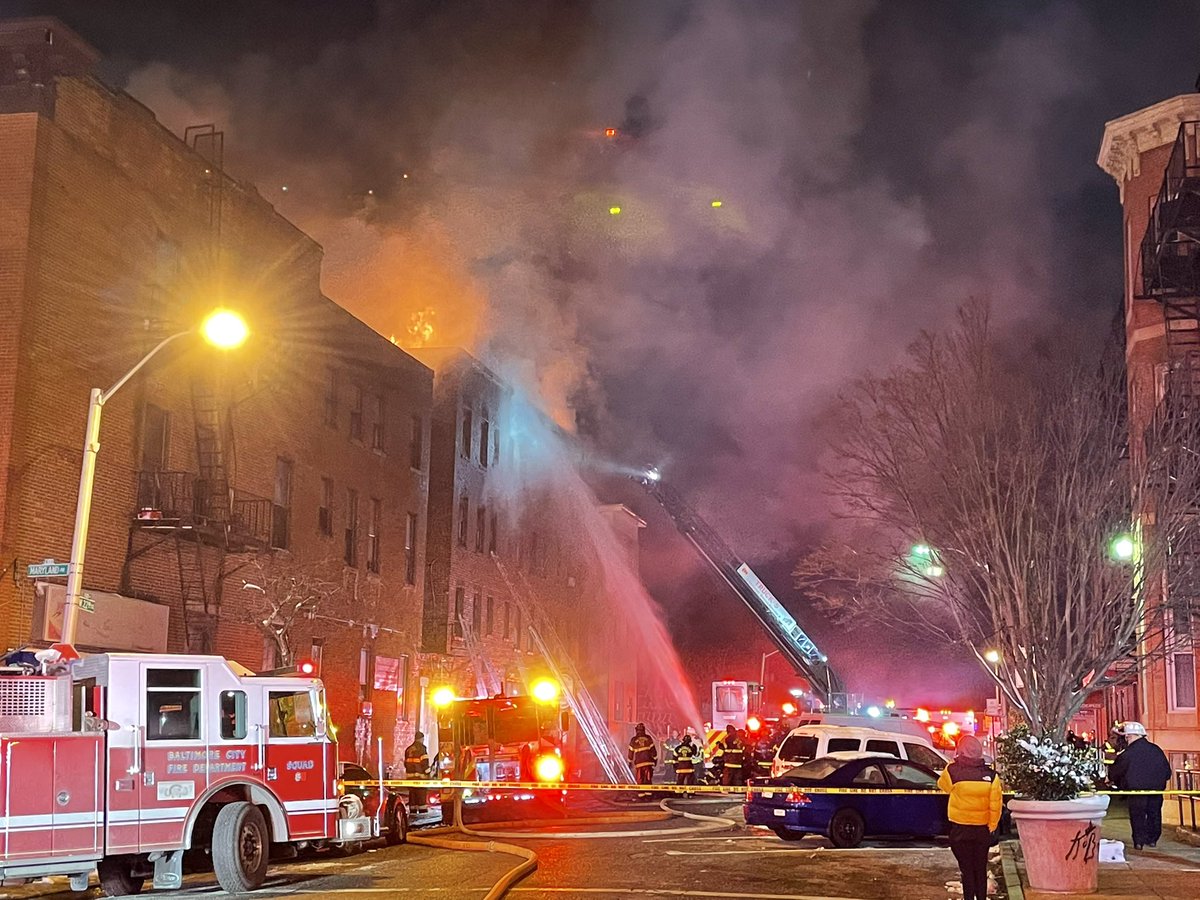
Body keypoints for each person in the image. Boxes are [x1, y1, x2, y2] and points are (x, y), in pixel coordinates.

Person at [938, 734, 1003, 900]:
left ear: (961, 750)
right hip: (982, 829)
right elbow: (995, 805)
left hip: (960, 829)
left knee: (966, 869)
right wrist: (992, 827)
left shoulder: (953, 771)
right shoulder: (992, 776)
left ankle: (969, 898)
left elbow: (943, 786)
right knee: (980, 868)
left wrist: (954, 761)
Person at [1108, 721, 1172, 849]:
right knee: (1154, 814)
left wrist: (1115, 781)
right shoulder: (1156, 750)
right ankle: (1152, 839)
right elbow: (1167, 772)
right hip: (1156, 790)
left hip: (1135, 791)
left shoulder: (1127, 753)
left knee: (1138, 815)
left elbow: (1116, 771)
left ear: (1129, 736)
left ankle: (1139, 841)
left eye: (1126, 737)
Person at [403, 731, 431, 812]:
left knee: (412, 796)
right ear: (421, 739)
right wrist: (428, 773)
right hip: (420, 778)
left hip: (410, 778)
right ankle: (422, 814)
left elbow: (406, 763)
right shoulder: (422, 749)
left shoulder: (408, 749)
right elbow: (424, 763)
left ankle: (413, 812)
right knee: (421, 797)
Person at [628, 723, 658, 787]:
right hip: (648, 762)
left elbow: (631, 752)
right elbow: (653, 750)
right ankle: (648, 794)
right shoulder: (648, 738)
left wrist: (630, 762)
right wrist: (655, 759)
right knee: (648, 779)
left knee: (640, 779)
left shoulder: (633, 740)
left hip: (639, 763)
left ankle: (641, 794)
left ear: (636, 730)